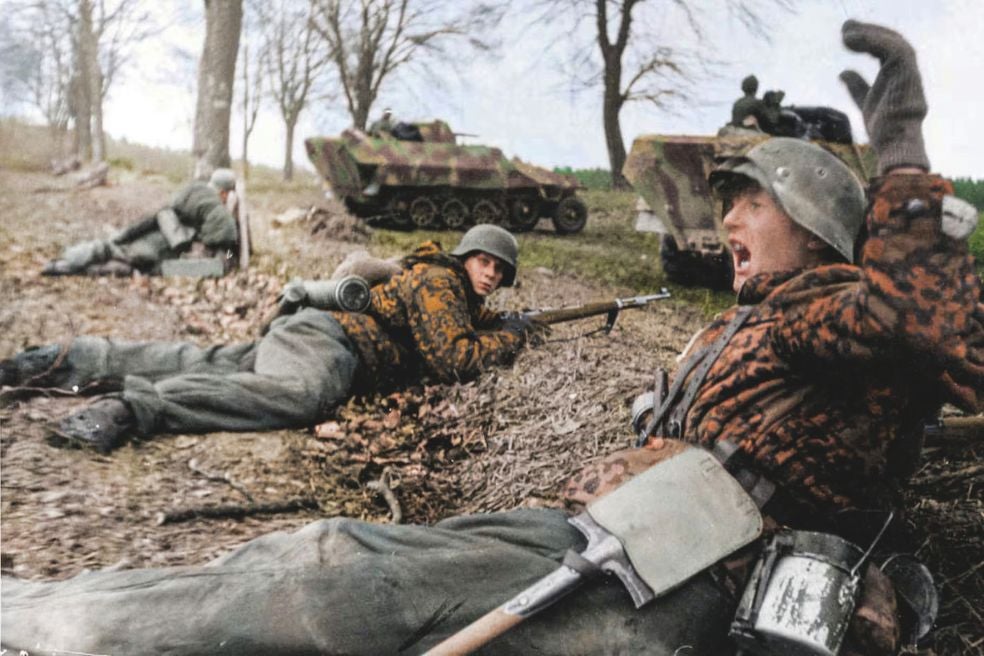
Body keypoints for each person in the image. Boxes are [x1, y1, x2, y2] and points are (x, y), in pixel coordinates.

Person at [2, 21, 982, 655]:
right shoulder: (764, 318)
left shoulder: (844, 308)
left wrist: (901, 149)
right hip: (643, 549)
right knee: (326, 567)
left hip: (681, 572)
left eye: (746, 198)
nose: (722, 217)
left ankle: (45, 619)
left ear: (818, 222)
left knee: (330, 572)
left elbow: (922, 316)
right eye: (720, 198)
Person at [1, 224, 544, 453]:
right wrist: (512, 338)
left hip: (311, 330)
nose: (490, 273)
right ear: (463, 257)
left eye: (499, 269)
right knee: (301, 397)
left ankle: (68, 361)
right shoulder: (440, 280)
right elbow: (453, 359)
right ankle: (130, 409)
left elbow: (453, 335)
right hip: (333, 344)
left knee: (213, 363)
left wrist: (496, 326)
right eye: (482, 260)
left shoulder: (451, 291)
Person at [41, 168, 241, 277]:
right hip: (161, 255)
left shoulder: (190, 193)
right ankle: (66, 266)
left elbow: (158, 216)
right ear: (224, 193)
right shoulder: (218, 213)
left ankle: (63, 265)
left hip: (155, 242)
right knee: (123, 263)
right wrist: (231, 256)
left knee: (112, 252)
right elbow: (227, 249)